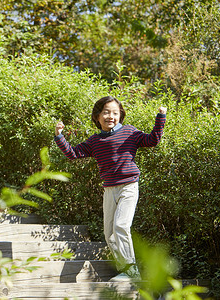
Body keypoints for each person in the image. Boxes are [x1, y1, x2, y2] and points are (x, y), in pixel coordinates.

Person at [54, 96, 166, 281]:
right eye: (106, 112)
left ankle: (132, 272)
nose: (110, 116)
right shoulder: (95, 141)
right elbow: (73, 153)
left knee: (121, 226)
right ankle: (126, 270)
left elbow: (153, 140)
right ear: (97, 117)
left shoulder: (130, 132)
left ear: (120, 115)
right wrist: (59, 136)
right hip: (109, 190)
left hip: (129, 187)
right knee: (109, 234)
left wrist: (160, 117)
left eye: (115, 113)